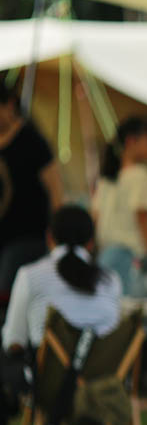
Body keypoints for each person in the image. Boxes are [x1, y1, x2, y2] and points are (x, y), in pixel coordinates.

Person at [1, 205, 122, 425]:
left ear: (49, 237)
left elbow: (13, 341)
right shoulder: (111, 281)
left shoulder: (31, 275)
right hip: (103, 384)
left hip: (47, 383)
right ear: (91, 242)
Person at [0, 85, 63, 307]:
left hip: (27, 235)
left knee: (9, 295)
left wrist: (57, 232)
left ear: (9, 106)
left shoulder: (32, 140)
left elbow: (56, 188)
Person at [90, 116, 147, 296]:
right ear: (131, 141)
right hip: (132, 261)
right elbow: (142, 215)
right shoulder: (140, 175)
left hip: (106, 257)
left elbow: (95, 218)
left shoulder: (106, 180)